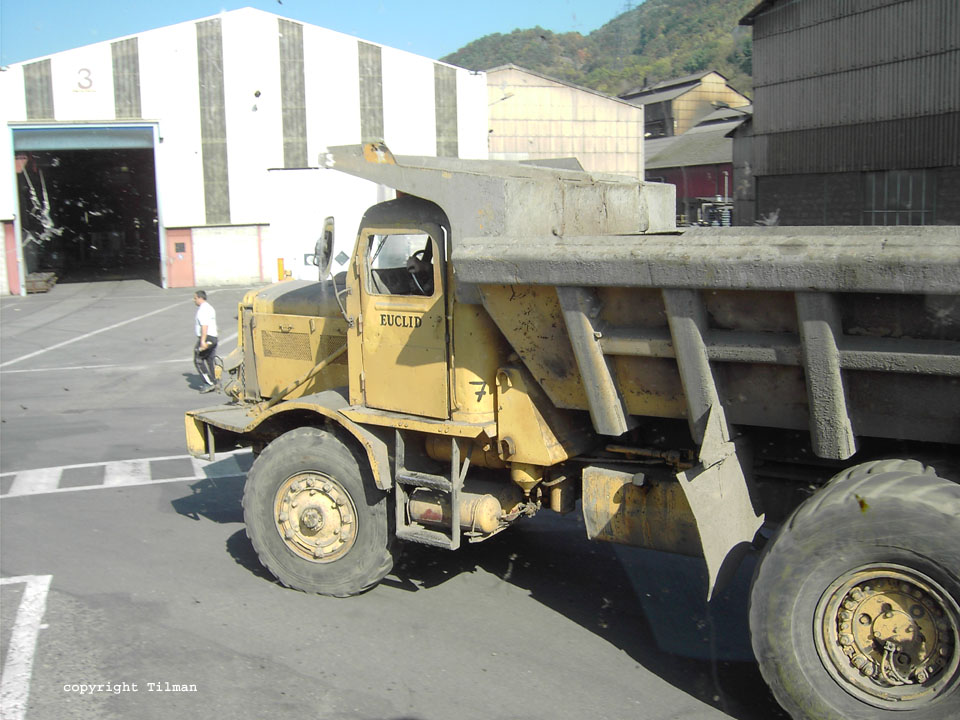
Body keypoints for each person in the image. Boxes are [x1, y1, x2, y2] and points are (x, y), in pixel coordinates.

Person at [193, 290, 218, 393]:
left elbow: (204, 326)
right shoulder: (210, 308)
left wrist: (203, 341)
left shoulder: (202, 310)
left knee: (198, 359)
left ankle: (209, 383)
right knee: (210, 360)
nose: (194, 300)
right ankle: (216, 381)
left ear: (200, 298)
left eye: (195, 298)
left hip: (206, 337)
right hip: (213, 337)